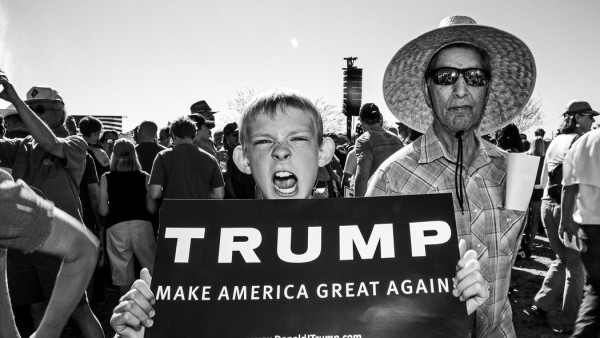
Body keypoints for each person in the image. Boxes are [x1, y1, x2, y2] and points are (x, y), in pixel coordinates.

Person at [110, 88, 489, 337]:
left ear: (324, 152)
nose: (281, 151)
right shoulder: (203, 254)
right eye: (264, 142)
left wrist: (445, 305)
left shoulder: (376, 247)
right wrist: (144, 331)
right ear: (242, 159)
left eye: (297, 139)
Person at [367, 15, 536, 337]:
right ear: (427, 89)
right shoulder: (393, 179)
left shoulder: (509, 170)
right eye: (445, 77)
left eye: (474, 76)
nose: (461, 90)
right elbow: (372, 295)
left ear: (488, 88)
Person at [0, 78, 104, 337]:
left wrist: (15, 100)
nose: (30, 114)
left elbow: (51, 144)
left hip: (63, 242)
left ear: (60, 110)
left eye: (39, 109)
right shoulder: (21, 146)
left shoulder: (76, 143)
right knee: (36, 309)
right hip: (26, 242)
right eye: (28, 108)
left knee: (80, 311)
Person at [0, 168, 99, 337]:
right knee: (37, 307)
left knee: (81, 311)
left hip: (48, 247)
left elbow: (83, 248)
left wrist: (48, 331)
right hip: (34, 253)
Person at [527, 100, 597, 333]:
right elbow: (572, 184)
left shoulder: (555, 140)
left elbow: (549, 179)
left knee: (563, 260)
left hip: (548, 204)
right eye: (589, 116)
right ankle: (570, 324)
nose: (593, 120)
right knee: (576, 270)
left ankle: (541, 304)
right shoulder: (581, 141)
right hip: (568, 208)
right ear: (577, 118)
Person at [99, 139, 155, 296]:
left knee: (122, 273)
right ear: (134, 155)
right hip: (142, 224)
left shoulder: (106, 177)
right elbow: (151, 208)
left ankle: (127, 309)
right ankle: (158, 307)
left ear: (113, 156)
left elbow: (103, 210)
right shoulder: (144, 176)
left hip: (116, 227)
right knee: (151, 269)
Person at [560, 128, 600, 337]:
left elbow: (568, 186)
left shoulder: (584, 141)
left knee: (595, 290)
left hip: (590, 229)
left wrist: (565, 220)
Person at [146, 116, 225, 215]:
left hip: (172, 217)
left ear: (173, 135)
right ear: (194, 134)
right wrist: (201, 192)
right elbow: (219, 195)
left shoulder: (163, 156)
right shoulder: (210, 159)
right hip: (201, 217)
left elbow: (154, 193)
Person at [353, 103, 403, 197]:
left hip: (377, 200)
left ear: (361, 120)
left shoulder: (364, 140)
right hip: (399, 199)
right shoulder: (396, 139)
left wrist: (358, 206)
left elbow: (362, 177)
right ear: (379, 118)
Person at [221, 122, 255, 199]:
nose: (238, 137)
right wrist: (235, 200)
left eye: (240, 135)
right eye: (235, 134)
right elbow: (226, 180)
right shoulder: (223, 154)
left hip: (247, 196)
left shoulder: (242, 151)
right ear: (226, 135)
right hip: (235, 200)